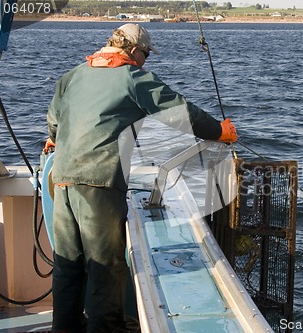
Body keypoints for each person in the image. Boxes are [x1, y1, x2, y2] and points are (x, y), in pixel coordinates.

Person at [46, 23, 237, 333]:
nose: (146, 60)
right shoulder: (132, 77)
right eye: (146, 54)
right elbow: (180, 112)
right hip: (100, 183)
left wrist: (55, 139)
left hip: (62, 178)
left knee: (68, 264)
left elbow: (54, 121)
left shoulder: (72, 76)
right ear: (133, 50)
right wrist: (219, 131)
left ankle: (64, 328)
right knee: (105, 266)